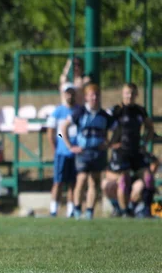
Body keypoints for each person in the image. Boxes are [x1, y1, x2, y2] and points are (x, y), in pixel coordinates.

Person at [61, 83, 115, 220]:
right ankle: (77, 208)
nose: (94, 98)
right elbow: (63, 127)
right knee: (82, 179)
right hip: (83, 152)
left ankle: (90, 210)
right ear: (86, 97)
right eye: (92, 95)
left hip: (98, 152)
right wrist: (69, 146)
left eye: (96, 95)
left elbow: (117, 128)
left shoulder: (104, 115)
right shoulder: (80, 112)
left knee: (94, 181)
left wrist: (109, 143)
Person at [108, 83, 155, 216]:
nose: (130, 96)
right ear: (122, 94)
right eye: (127, 93)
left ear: (136, 95)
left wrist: (144, 142)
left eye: (132, 93)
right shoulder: (116, 110)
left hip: (136, 152)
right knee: (123, 180)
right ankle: (124, 211)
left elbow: (150, 127)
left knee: (148, 177)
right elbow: (102, 126)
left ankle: (147, 210)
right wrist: (110, 144)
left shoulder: (140, 110)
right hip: (121, 154)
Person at [45, 83, 79, 217]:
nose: (70, 96)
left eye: (72, 93)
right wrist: (56, 148)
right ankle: (54, 209)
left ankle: (71, 210)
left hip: (75, 152)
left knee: (72, 183)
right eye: (67, 93)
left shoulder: (79, 111)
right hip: (62, 152)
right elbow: (53, 133)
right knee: (58, 182)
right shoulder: (58, 111)